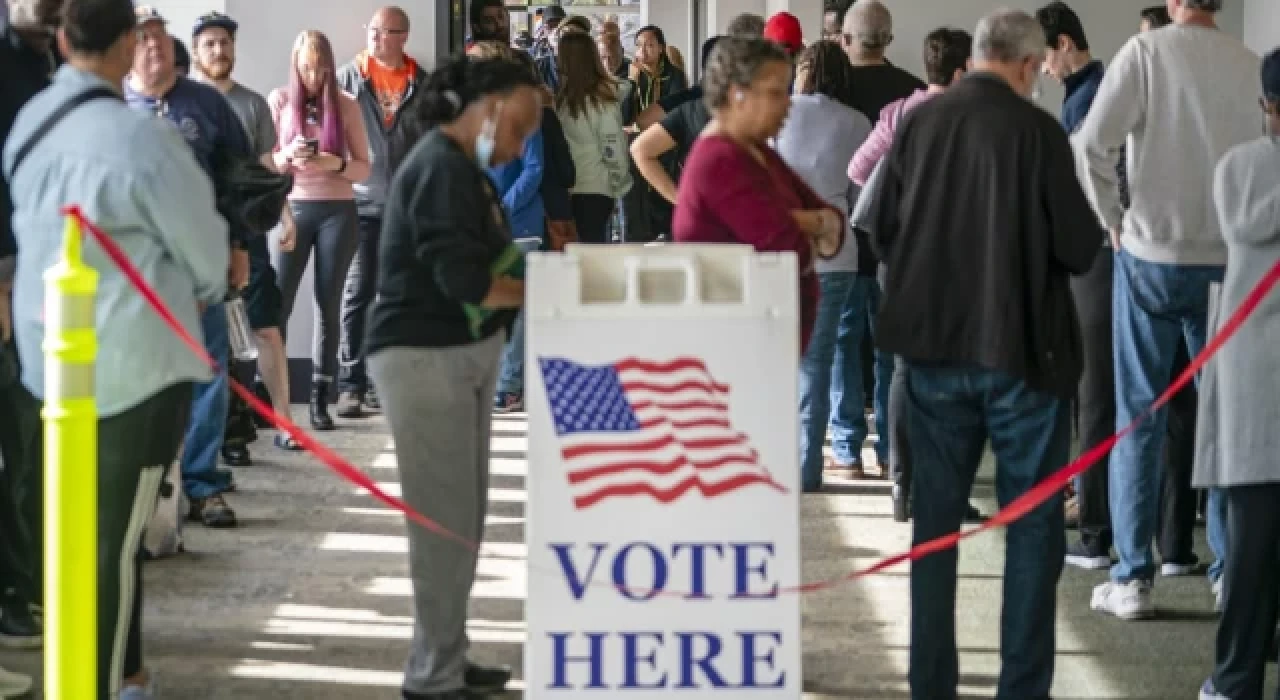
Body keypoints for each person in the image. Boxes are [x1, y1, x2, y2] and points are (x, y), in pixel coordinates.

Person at [865, 9, 1103, 697]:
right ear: (1029, 65)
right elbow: (1082, 248)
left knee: (935, 533)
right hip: (1025, 358)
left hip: (933, 357)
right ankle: (1021, 688)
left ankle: (931, 686)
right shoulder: (1039, 132)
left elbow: (879, 228)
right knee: (1032, 534)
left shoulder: (918, 123)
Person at [3, 0, 229, 695]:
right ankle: (100, 686)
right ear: (132, 43)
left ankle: (127, 675)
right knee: (110, 545)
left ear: (63, 40)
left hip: (47, 362)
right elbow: (209, 262)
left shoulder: (26, 126)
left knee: (80, 533)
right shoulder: (145, 142)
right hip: (134, 371)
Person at [1075, 0, 1260, 621]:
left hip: (1151, 256)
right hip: (1229, 263)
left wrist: (1113, 223)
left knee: (1138, 417)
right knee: (1228, 425)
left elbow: (1090, 147)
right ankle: (1230, 572)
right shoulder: (1249, 63)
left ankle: (1131, 579)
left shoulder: (1146, 53)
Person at [366, 54, 537, 700]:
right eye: (517, 128)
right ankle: (433, 676)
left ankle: (446, 655)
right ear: (487, 106)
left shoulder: (463, 169)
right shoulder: (441, 167)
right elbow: (466, 280)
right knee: (441, 524)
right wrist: (543, 291)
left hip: (454, 356)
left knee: (460, 522)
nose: (519, 144)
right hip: (424, 355)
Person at [125, 5, 251, 528]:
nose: (154, 46)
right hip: (134, 275)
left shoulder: (207, 105)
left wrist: (239, 247)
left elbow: (238, 182)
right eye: (143, 38)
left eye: (161, 36)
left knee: (207, 373)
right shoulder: (111, 106)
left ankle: (202, 484)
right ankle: (139, 491)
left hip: (202, 266)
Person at [848, 26, 976, 522]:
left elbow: (859, 170)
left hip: (899, 260)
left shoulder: (899, 113)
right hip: (958, 262)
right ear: (963, 70)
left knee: (904, 370)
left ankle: (902, 486)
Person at [1193, 45, 1280, 700]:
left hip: (1256, 386)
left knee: (1249, 551)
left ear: (1266, 107)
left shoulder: (1238, 169)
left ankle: (1235, 679)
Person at [673, 37, 843, 352]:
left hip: (762, 346)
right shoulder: (721, 160)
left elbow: (832, 222)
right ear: (738, 94)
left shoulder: (756, 150)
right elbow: (789, 248)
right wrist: (816, 225)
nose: (789, 103)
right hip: (734, 348)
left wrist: (807, 222)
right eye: (777, 92)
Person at [191, 11, 300, 452]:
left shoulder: (253, 105)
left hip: (248, 235)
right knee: (209, 334)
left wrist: (286, 214)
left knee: (265, 326)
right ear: (197, 51)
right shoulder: (184, 102)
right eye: (211, 43)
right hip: (198, 236)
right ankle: (221, 432)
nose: (220, 50)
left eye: (225, 43)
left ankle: (285, 421)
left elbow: (265, 169)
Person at [1036, 1, 1116, 570]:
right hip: (1092, 262)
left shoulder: (1091, 100)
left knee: (1093, 400)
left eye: (1044, 56)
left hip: (1093, 263)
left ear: (1064, 44)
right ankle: (1086, 506)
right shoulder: (1088, 92)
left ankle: (1093, 532)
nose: (1042, 70)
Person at [833, 0, 923, 481]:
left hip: (841, 239)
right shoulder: (913, 92)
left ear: (845, 39)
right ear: (887, 40)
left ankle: (846, 451)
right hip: (896, 243)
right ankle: (891, 451)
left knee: (843, 347)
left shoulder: (830, 90)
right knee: (891, 354)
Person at [774, 40, 871, 492]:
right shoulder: (857, 122)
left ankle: (781, 463)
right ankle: (812, 464)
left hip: (779, 251)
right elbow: (859, 199)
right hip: (837, 254)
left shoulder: (776, 112)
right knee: (823, 359)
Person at [268, 30, 371, 432]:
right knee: (278, 304)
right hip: (292, 208)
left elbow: (365, 167)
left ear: (329, 66)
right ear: (295, 66)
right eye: (305, 67)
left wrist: (336, 165)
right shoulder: (279, 101)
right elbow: (267, 165)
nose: (312, 76)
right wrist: (287, 156)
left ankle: (319, 400)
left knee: (329, 305)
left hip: (337, 210)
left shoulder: (346, 105)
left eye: (319, 67)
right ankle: (274, 400)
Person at [0, 0, 59, 658]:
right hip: (9, 284)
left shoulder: (59, 58)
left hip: (47, 287)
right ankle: (15, 594)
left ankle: (30, 582)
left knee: (35, 444)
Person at [334, 6, 426, 418]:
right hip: (359, 203)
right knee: (358, 292)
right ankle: (350, 384)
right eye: (372, 29)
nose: (374, 37)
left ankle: (382, 383)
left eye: (384, 31)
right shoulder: (346, 80)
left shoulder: (422, 84)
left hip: (405, 210)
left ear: (402, 36)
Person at [556, 31, 630, 243]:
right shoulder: (602, 100)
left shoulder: (562, 102)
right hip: (597, 189)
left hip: (571, 190)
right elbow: (613, 149)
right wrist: (619, 186)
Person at [622, 25, 688, 243]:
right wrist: (631, 82)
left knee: (663, 200)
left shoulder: (674, 76)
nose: (644, 51)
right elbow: (622, 116)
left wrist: (641, 127)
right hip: (633, 150)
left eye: (650, 45)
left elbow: (674, 113)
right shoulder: (630, 76)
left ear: (661, 48)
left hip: (665, 148)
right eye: (639, 46)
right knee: (637, 207)